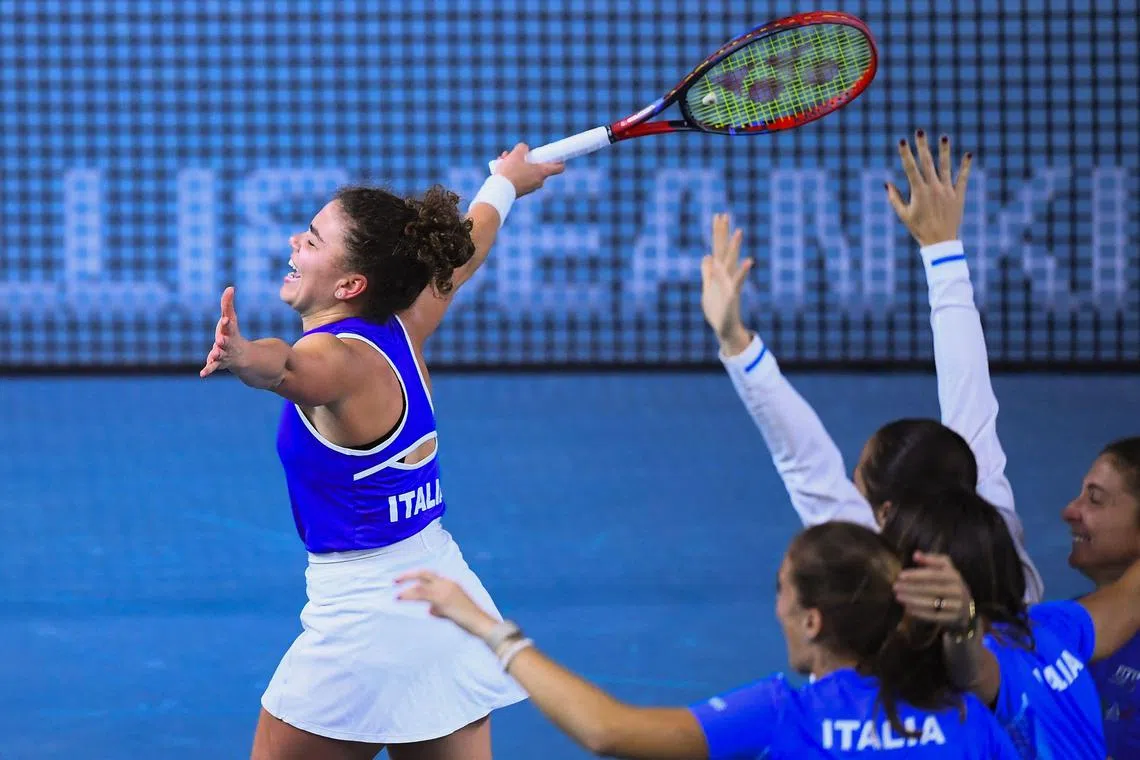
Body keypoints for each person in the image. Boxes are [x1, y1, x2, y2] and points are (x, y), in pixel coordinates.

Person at [199, 144, 564, 760]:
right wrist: (503, 183)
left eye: (313, 239)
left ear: (349, 284)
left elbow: (285, 365)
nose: (295, 240)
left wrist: (242, 357)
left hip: (366, 623)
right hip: (447, 599)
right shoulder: (409, 322)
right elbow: (467, 247)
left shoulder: (335, 362)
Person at [698, 133, 1044, 602]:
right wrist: (942, 249)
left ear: (883, 512)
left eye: (857, 477)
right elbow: (970, 397)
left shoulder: (873, 574)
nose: (850, 483)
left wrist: (734, 340)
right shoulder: (1002, 542)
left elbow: (804, 461)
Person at [887, 133, 1140, 759]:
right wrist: (942, 251)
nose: (1069, 511)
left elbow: (970, 415)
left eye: (1097, 498)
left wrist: (943, 252)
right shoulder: (1062, 628)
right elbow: (971, 420)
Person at [398, 521, 1020, 759]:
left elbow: (607, 732)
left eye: (782, 589)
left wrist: (489, 631)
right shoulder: (968, 718)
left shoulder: (787, 712)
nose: (774, 604)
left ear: (813, 621)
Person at [889, 485, 1140, 759]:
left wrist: (962, 625)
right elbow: (1131, 594)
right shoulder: (1051, 624)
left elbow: (971, 671)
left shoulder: (982, 666)